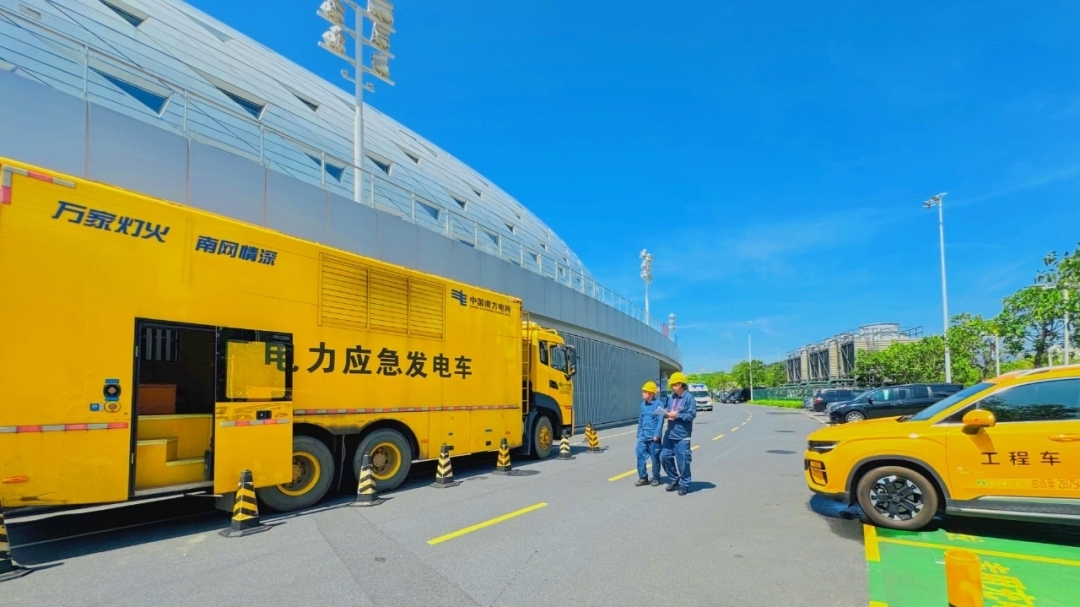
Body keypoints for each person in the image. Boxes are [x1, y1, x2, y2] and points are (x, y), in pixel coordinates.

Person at [660, 371, 697, 496]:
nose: (672, 387)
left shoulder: (689, 398)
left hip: (682, 435)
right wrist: (666, 413)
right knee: (664, 456)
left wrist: (677, 415)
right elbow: (668, 409)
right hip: (670, 432)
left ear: (680, 384)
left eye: (673, 385)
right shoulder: (672, 397)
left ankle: (684, 484)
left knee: (683, 461)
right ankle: (674, 479)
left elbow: (691, 415)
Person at [634, 381, 665, 486]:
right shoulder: (642, 405)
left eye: (645, 391)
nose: (643, 393)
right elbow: (641, 419)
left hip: (653, 437)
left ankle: (656, 478)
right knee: (639, 455)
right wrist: (639, 432)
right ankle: (643, 478)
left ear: (651, 393)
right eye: (643, 391)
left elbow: (660, 421)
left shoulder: (659, 405)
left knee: (655, 458)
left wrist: (657, 434)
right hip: (643, 435)